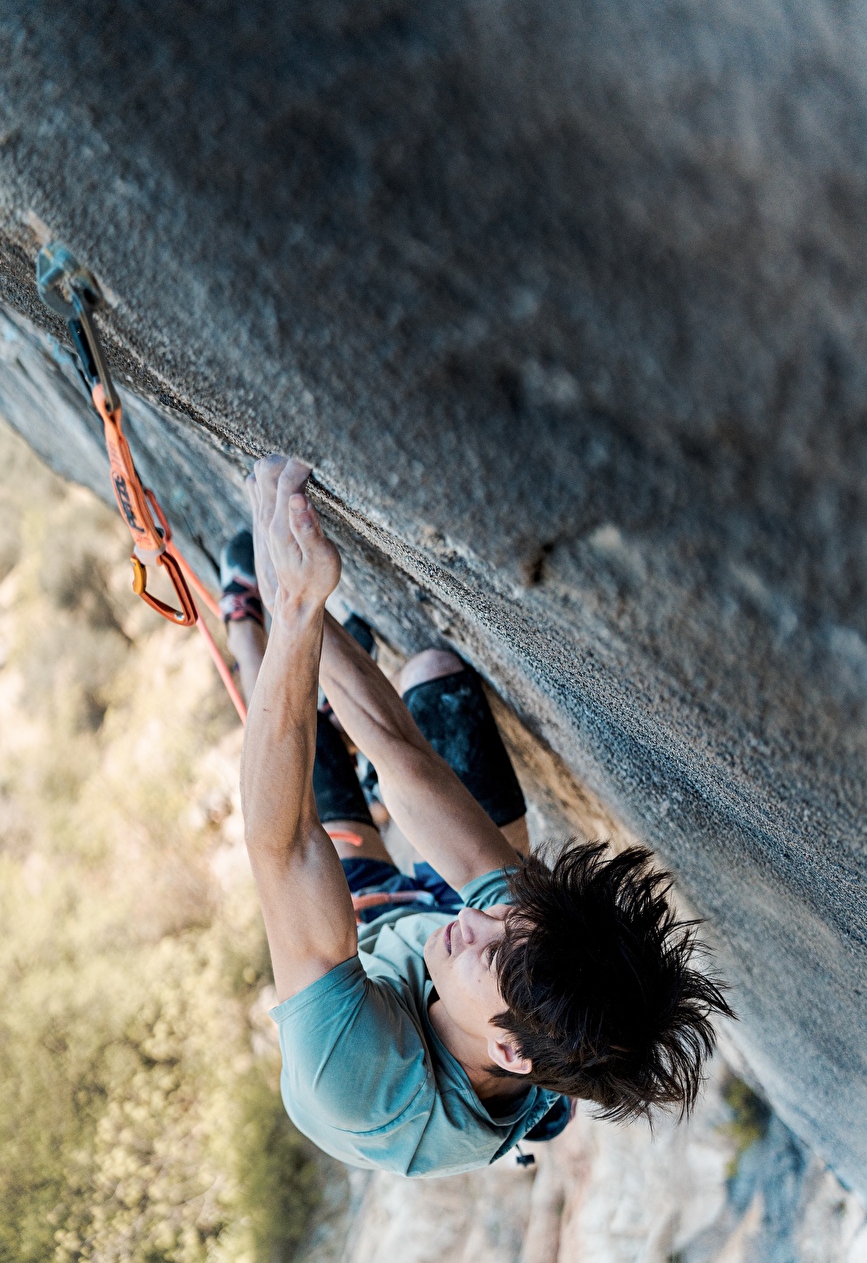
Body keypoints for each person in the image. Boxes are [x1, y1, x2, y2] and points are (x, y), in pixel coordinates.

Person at [227, 455, 733, 1178]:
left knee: (303, 779)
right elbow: (402, 750)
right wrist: (304, 592)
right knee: (433, 681)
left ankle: (238, 621)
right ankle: (315, 689)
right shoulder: (522, 952)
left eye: (492, 948)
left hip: (365, 960)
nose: (478, 917)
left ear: (508, 1051)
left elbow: (281, 843)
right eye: (507, 917)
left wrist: (290, 610)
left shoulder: (358, 1078)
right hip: (443, 974)